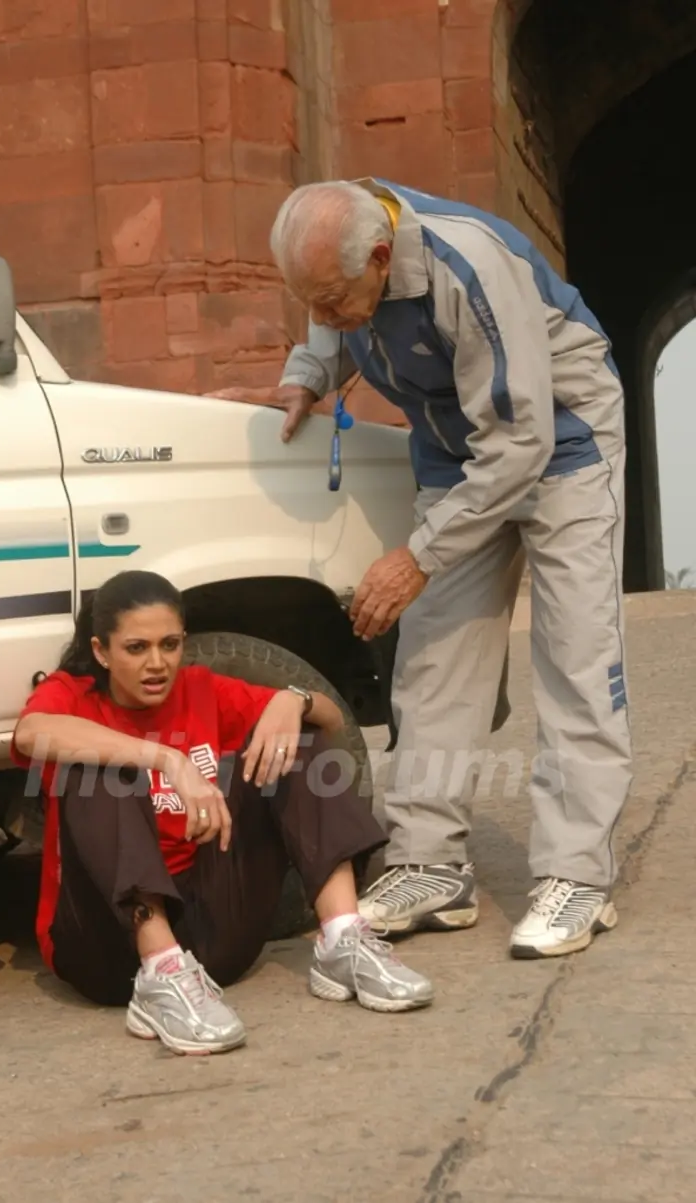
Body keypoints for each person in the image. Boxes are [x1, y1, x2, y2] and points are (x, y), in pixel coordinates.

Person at [214, 177, 632, 960]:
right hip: (454, 450)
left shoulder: (468, 270)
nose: (331, 316)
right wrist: (309, 373)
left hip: (560, 444)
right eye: (313, 300)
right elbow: (329, 323)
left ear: (380, 257)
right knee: (434, 658)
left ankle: (578, 873)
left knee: (576, 656)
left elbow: (519, 443)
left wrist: (418, 556)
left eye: (338, 299)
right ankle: (429, 863)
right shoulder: (344, 267)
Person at [11, 569, 433, 1056]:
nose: (157, 663)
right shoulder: (73, 695)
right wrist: (166, 759)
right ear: (102, 652)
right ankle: (161, 970)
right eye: (136, 648)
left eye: (169, 645)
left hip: (213, 934)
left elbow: (334, 719)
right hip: (106, 949)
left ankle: (343, 940)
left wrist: (291, 701)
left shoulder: (200, 689)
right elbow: (31, 733)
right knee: (91, 771)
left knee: (296, 746)